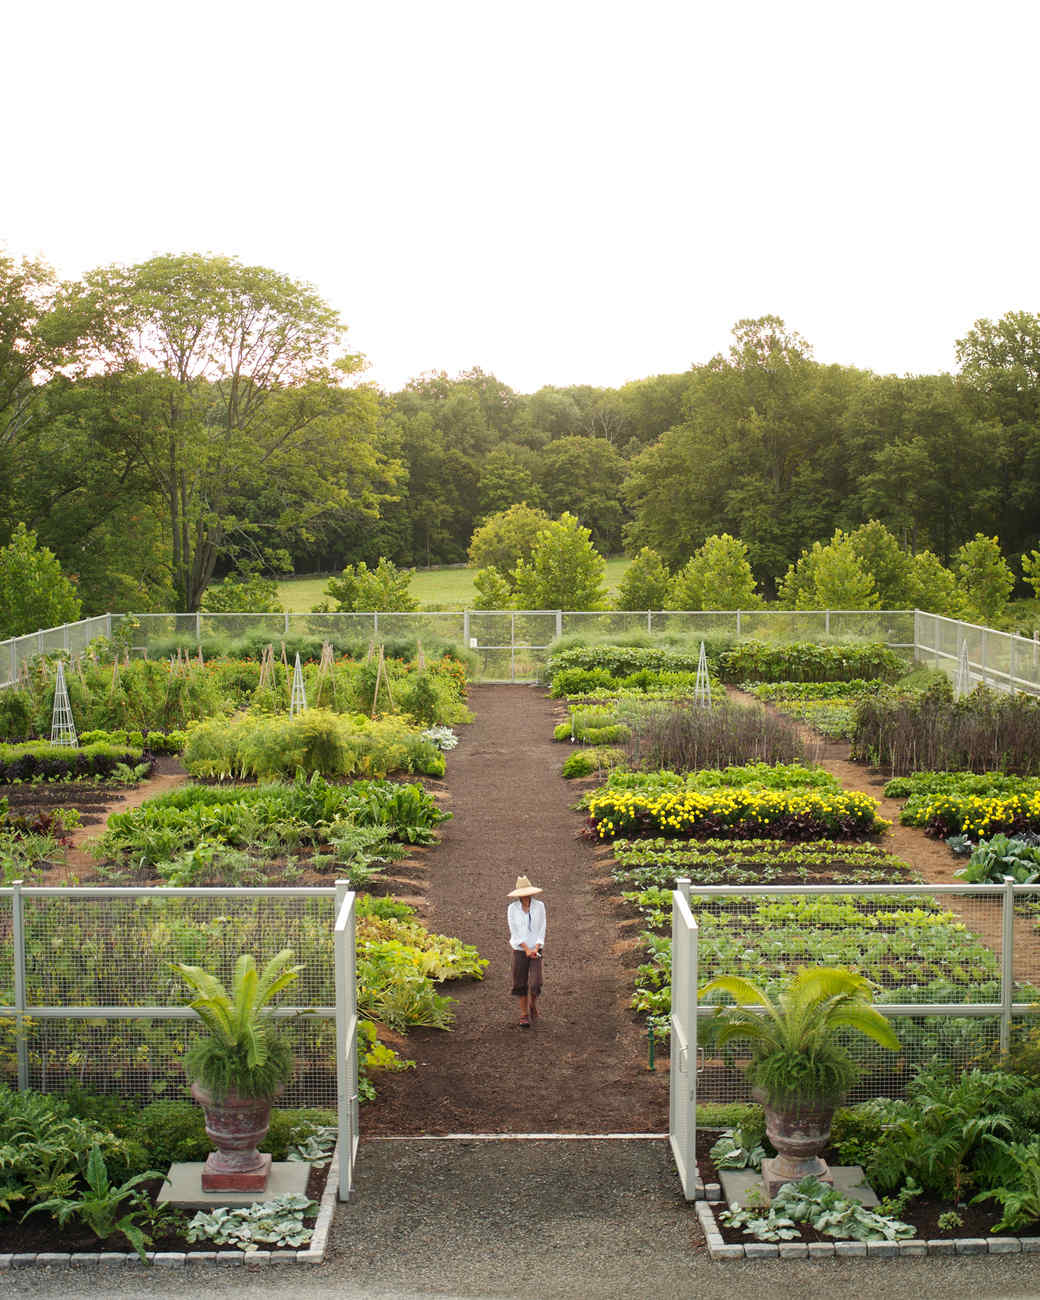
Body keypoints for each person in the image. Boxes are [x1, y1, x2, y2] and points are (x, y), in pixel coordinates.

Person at [507, 875, 546, 1029]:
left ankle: (532, 1004)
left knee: (536, 982)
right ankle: (524, 1014)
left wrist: (536, 948)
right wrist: (526, 948)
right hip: (519, 950)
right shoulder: (512, 909)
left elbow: (542, 927)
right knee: (520, 982)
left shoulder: (540, 906)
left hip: (536, 949)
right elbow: (514, 931)